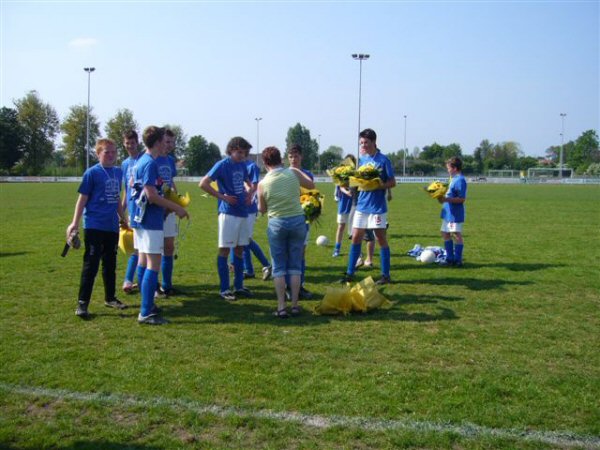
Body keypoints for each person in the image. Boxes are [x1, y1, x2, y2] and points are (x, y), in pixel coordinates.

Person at [131, 126, 189, 325]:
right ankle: (146, 311)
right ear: (156, 142)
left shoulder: (143, 161)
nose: (166, 143)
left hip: (141, 219)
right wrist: (176, 207)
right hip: (150, 220)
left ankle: (147, 305)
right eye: (163, 139)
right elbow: (151, 195)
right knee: (152, 264)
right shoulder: (150, 163)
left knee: (143, 261)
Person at [67, 138, 128, 319]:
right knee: (91, 264)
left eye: (113, 152)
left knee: (110, 263)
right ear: (98, 153)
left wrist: (122, 218)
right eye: (106, 152)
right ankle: (82, 303)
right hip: (94, 225)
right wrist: (74, 223)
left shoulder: (118, 172)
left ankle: (110, 298)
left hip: (111, 226)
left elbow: (116, 197)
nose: (111, 155)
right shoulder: (92, 173)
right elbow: (82, 199)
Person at [257, 146, 315, 318]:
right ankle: (295, 305)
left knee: (279, 267)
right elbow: (311, 185)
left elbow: (262, 209)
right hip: (298, 221)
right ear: (281, 159)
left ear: (265, 162)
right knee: (295, 266)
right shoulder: (293, 173)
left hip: (277, 224)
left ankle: (281, 307)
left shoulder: (262, 183)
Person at [199, 137, 254, 301]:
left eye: (244, 153)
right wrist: (222, 196)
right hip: (228, 213)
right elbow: (203, 183)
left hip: (242, 212)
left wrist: (250, 192)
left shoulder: (243, 164)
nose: (242, 156)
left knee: (239, 249)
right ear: (231, 150)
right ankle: (224, 289)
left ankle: (238, 286)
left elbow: (247, 182)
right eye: (239, 152)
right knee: (224, 250)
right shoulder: (222, 165)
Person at [341, 128, 396, 285]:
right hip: (361, 206)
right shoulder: (361, 160)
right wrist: (345, 180)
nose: (363, 145)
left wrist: (378, 186)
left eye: (365, 142)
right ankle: (350, 273)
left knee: (380, 239)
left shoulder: (384, 160)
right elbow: (357, 183)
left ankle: (386, 275)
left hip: (377, 207)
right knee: (356, 237)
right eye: (361, 143)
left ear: (373, 142)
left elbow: (392, 182)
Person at [286, 144, 313, 299]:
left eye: (296, 156)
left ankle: (300, 286)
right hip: (288, 217)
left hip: (304, 219)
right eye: (290, 156)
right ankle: (287, 287)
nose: (293, 159)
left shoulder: (307, 174)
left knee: (301, 253)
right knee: (288, 253)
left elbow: (312, 195)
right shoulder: (284, 174)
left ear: (301, 157)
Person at [241, 148, 272, 281]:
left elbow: (254, 186)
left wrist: (246, 193)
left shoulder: (251, 166)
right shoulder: (236, 165)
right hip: (238, 208)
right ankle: (248, 270)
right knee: (243, 240)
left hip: (248, 208)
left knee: (246, 239)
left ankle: (266, 264)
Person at [155, 128, 178, 297]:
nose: (170, 145)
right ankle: (153, 286)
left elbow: (171, 182)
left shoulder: (170, 160)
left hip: (169, 208)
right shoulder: (150, 159)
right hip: (155, 210)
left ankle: (167, 284)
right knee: (154, 249)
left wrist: (176, 201)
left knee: (169, 247)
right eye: (167, 141)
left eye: (172, 142)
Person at [121, 130, 142, 294]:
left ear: (138, 142)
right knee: (138, 248)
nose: (130, 146)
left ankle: (133, 280)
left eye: (132, 143)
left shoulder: (144, 160)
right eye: (127, 143)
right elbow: (125, 190)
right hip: (132, 211)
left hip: (145, 210)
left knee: (144, 248)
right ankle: (131, 280)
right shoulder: (124, 164)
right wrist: (122, 211)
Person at [439, 156, 467, 267]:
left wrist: (446, 199)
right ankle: (450, 258)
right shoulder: (453, 179)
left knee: (456, 234)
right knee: (445, 233)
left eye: (448, 168)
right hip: (448, 212)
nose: (447, 170)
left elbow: (462, 198)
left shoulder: (460, 180)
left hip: (455, 213)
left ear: (455, 168)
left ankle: (458, 260)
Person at [332, 154, 356, 258]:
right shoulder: (341, 174)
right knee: (341, 227)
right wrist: (347, 192)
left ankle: (355, 250)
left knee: (354, 229)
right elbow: (340, 187)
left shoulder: (355, 173)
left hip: (355, 204)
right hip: (343, 204)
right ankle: (337, 249)